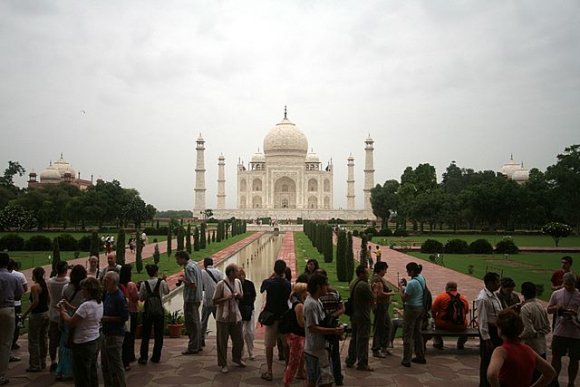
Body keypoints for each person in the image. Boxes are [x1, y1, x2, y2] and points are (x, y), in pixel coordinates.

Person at [487, 309, 556, 387]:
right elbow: (550, 372)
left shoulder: (501, 351)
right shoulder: (528, 350)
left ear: (500, 330)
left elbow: (492, 374)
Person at [59, 277, 103, 387]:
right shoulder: (98, 302)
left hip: (82, 343)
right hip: (94, 340)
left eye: (84, 289)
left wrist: (63, 311)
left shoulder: (86, 305)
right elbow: (82, 313)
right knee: (92, 372)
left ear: (89, 290)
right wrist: (69, 306)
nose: (82, 291)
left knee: (81, 375)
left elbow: (72, 321)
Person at [304, 273, 344, 387]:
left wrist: (334, 327)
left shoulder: (317, 301)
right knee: (325, 382)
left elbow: (322, 321)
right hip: (315, 349)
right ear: (318, 287)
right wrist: (333, 331)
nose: (327, 287)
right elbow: (312, 327)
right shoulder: (311, 304)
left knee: (315, 381)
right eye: (325, 285)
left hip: (318, 348)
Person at [260, 259, 291, 381]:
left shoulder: (269, 282)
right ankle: (287, 370)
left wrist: (271, 277)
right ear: (284, 270)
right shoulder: (287, 284)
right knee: (286, 345)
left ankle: (269, 371)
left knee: (269, 345)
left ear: (274, 269)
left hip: (271, 317)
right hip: (283, 317)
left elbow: (262, 289)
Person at [547, 272, 580, 387]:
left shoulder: (579, 295)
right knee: (556, 356)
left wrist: (575, 314)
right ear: (563, 282)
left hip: (576, 332)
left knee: (574, 359)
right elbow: (549, 310)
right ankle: (554, 380)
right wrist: (557, 307)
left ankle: (571, 383)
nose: (569, 286)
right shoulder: (556, 294)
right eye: (567, 284)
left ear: (575, 283)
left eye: (571, 284)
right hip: (560, 330)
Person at [212, 263, 245, 374]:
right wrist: (227, 298)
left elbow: (242, 296)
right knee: (222, 342)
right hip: (223, 317)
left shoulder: (238, 282)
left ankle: (237, 358)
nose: (238, 273)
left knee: (239, 340)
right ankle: (223, 363)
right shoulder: (221, 284)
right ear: (231, 272)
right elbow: (215, 301)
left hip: (236, 315)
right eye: (236, 271)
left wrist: (238, 296)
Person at [56, 264, 87, 380]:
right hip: (81, 317)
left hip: (68, 317)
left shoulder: (66, 288)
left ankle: (64, 370)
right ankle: (77, 369)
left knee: (65, 345)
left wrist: (61, 320)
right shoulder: (85, 289)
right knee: (79, 344)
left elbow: (62, 305)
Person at [101, 271, 128, 387]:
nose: (103, 281)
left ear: (113, 282)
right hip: (106, 333)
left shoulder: (119, 297)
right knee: (105, 364)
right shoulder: (107, 293)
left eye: (106, 280)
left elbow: (124, 317)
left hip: (115, 334)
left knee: (116, 365)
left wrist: (106, 318)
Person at [476, 272, 503, 387]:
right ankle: (484, 384)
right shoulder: (483, 298)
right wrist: (487, 338)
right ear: (490, 283)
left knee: (495, 360)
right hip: (489, 332)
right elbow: (482, 320)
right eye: (497, 282)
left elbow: (497, 313)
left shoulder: (493, 295)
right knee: (487, 361)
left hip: (496, 331)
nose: (499, 284)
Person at [0, 252, 23, 386]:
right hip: (7, 309)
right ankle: (1, 375)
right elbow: (19, 295)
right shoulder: (13, 277)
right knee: (5, 344)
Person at [138, 264, 169, 365]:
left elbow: (141, 298)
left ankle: (143, 357)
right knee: (158, 335)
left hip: (148, 312)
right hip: (159, 311)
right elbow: (167, 292)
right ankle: (156, 356)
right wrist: (164, 280)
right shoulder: (162, 282)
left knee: (145, 335)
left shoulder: (144, 283)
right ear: (156, 272)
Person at [318, 269, 345, 385]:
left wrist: (329, 316)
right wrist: (333, 315)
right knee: (333, 353)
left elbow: (343, 308)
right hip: (333, 326)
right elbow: (342, 309)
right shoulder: (335, 293)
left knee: (324, 354)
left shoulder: (318, 296)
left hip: (324, 326)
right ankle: (337, 378)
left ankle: (326, 378)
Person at [345, 264, 374, 371]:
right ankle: (362, 363)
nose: (368, 274)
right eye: (366, 273)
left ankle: (350, 359)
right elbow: (372, 297)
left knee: (354, 338)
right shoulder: (363, 285)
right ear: (361, 274)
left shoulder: (354, 282)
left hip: (354, 314)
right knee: (363, 339)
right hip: (363, 315)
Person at [21, 267, 50, 372]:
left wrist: (25, 314)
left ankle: (35, 364)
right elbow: (49, 299)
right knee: (44, 338)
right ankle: (43, 361)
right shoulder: (44, 285)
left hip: (37, 315)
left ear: (35, 275)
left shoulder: (35, 287)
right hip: (46, 314)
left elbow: (35, 302)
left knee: (33, 340)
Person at [175, 250, 203, 355]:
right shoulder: (195, 264)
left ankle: (192, 347)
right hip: (197, 297)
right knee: (196, 322)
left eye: (177, 259)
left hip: (191, 299)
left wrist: (183, 280)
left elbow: (193, 284)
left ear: (182, 258)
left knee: (191, 324)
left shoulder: (188, 268)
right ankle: (198, 345)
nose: (177, 261)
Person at [399, 262, 426, 367]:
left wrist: (401, 289)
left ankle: (406, 360)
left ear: (412, 271)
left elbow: (404, 298)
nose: (407, 272)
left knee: (407, 334)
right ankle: (420, 356)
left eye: (408, 271)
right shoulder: (421, 278)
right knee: (418, 333)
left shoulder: (411, 283)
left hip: (411, 309)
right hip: (420, 308)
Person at [431, 281, 469, 350]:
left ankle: (438, 343)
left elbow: (433, 310)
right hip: (461, 325)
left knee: (433, 323)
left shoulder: (441, 296)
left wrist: (434, 318)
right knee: (466, 323)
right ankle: (460, 343)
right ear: (456, 288)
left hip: (443, 324)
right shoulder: (463, 298)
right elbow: (466, 312)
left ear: (447, 288)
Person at [47, 261, 69, 372]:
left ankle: (53, 361)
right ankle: (62, 361)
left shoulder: (50, 281)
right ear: (65, 270)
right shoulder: (68, 282)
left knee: (53, 340)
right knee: (64, 340)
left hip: (53, 313)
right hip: (64, 313)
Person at [283, 282, 307, 387]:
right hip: (297, 336)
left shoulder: (295, 302)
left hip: (294, 335)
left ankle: (292, 378)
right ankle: (287, 382)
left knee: (297, 359)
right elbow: (301, 323)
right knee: (293, 362)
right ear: (302, 293)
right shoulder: (300, 306)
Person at [519, 282, 550, 359]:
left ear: (522, 293)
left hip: (530, 349)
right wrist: (538, 334)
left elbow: (529, 331)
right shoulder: (541, 306)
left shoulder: (525, 308)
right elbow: (547, 328)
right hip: (541, 347)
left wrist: (517, 337)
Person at [200, 257, 224, 347]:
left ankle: (201, 339)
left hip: (207, 300)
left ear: (205, 264)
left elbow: (201, 286)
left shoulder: (202, 273)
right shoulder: (218, 272)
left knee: (203, 321)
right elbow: (223, 285)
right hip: (217, 300)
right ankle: (221, 339)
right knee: (219, 321)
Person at [119, 264, 139, 370]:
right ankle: (130, 356)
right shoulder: (131, 285)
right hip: (132, 311)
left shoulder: (119, 284)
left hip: (123, 312)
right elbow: (136, 297)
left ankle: (124, 356)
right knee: (130, 336)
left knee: (124, 335)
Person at [371, 261, 393, 358]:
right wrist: (390, 294)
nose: (385, 272)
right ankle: (376, 348)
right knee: (379, 327)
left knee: (387, 325)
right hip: (380, 306)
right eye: (385, 270)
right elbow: (380, 293)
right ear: (381, 270)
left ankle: (384, 346)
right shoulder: (377, 279)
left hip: (383, 306)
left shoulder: (378, 278)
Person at [8, 259, 27, 353]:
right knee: (18, 323)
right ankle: (13, 342)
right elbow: (24, 289)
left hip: (4, 305)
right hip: (17, 304)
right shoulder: (19, 275)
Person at [238, 268, 256, 360]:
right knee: (239, 333)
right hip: (238, 311)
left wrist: (249, 306)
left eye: (241, 274)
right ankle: (241, 353)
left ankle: (251, 352)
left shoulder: (249, 284)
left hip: (248, 310)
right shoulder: (235, 285)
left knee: (249, 332)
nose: (240, 276)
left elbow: (254, 296)